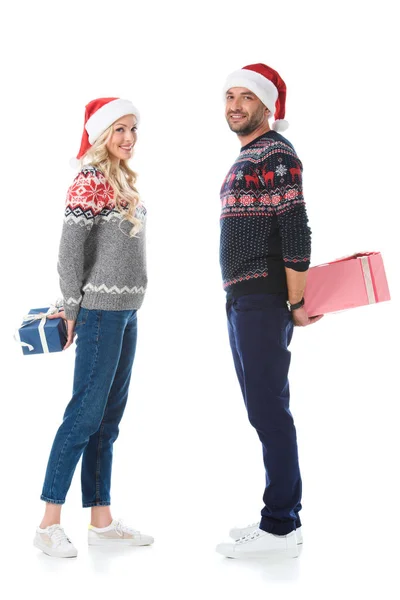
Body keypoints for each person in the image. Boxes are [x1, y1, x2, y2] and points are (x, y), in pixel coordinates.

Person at [33, 97, 154, 558]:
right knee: (84, 414)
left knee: (108, 419)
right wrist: (69, 309)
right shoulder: (89, 180)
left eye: (133, 129)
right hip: (99, 312)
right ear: (102, 134)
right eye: (119, 130)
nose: (128, 138)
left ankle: (100, 521)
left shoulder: (120, 179)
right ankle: (48, 523)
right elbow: (69, 252)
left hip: (126, 311)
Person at [216, 64, 322, 559]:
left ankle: (280, 527)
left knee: (270, 412)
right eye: (229, 96)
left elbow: (296, 231)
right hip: (244, 299)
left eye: (245, 97)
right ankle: (281, 521)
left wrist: (297, 303)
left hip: (263, 299)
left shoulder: (276, 152)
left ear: (267, 105)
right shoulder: (250, 154)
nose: (235, 104)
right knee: (263, 411)